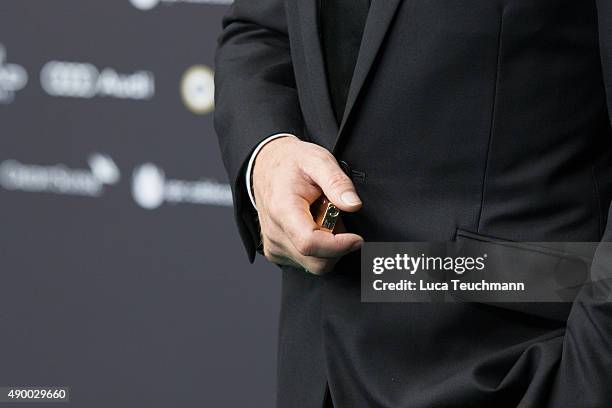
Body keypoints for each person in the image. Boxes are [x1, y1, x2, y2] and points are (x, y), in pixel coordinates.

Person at [214, 1, 612, 407]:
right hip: (317, 371)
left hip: (512, 367)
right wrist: (268, 154)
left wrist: (585, 386)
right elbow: (262, 28)